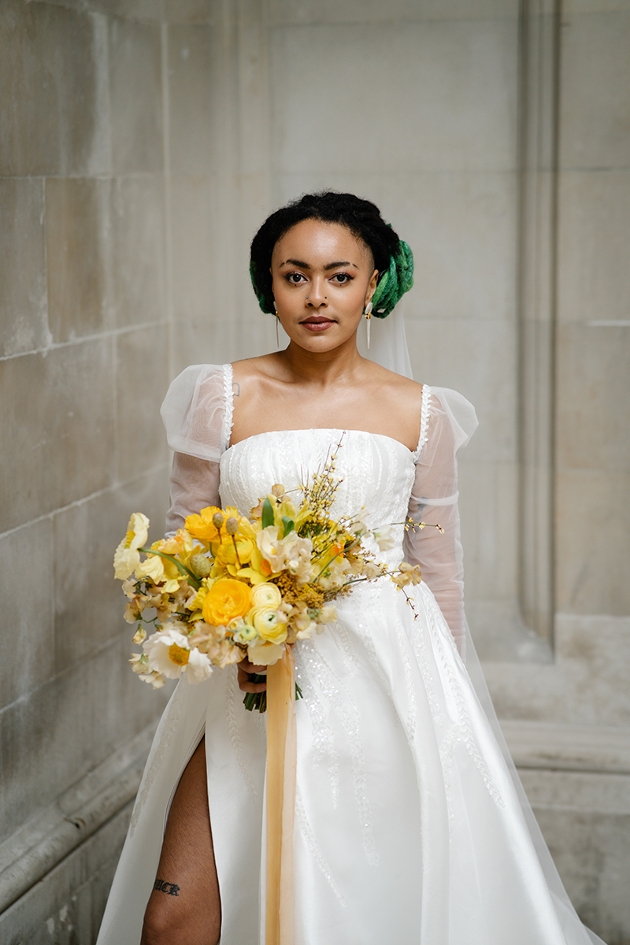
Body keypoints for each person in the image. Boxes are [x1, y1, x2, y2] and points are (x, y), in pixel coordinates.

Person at [97, 192, 605, 945]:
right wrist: (225, 636)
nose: (315, 296)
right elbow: (184, 542)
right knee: (174, 917)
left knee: (362, 908)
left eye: (339, 276)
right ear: (267, 284)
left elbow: (439, 565)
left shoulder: (421, 412)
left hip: (388, 680)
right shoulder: (223, 395)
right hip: (251, 678)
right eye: (293, 275)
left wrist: (449, 711)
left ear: (375, 285)